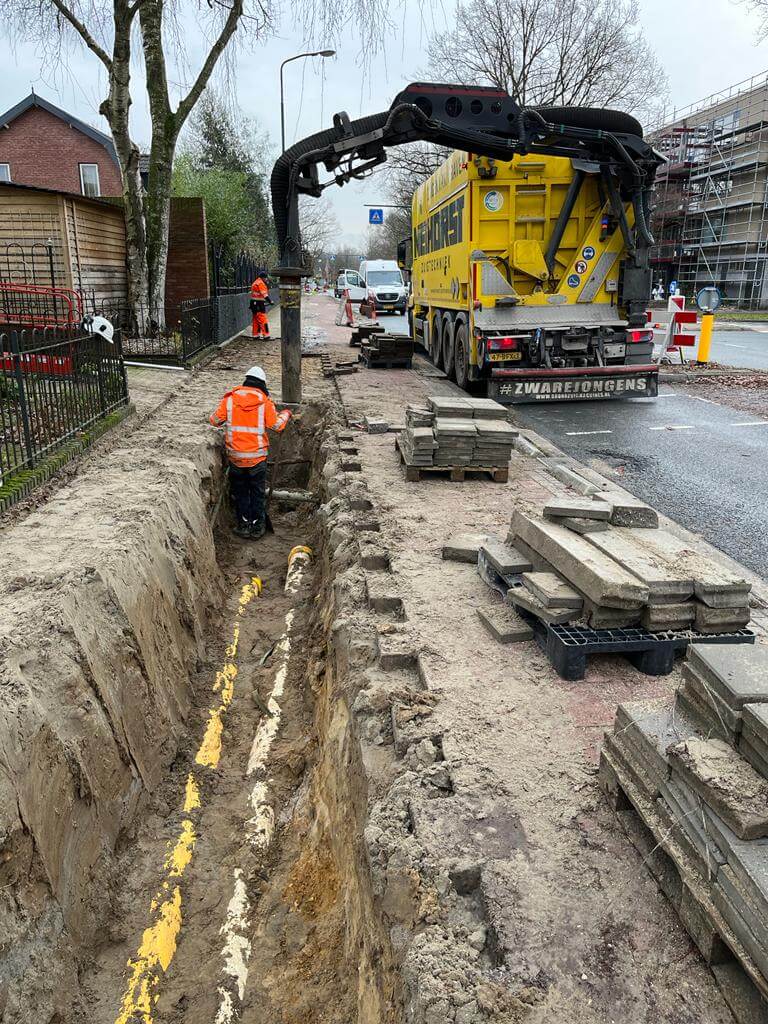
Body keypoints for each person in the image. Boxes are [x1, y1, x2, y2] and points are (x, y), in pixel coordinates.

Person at [209, 366, 291, 539]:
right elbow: (277, 425)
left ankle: (244, 525)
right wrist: (286, 414)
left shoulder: (230, 400)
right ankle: (258, 527)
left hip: (236, 458)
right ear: (262, 384)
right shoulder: (264, 402)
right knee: (257, 492)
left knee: (240, 492)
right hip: (257, 459)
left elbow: (214, 420)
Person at [250, 271, 273, 339]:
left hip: (253, 303)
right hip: (259, 304)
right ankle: (266, 335)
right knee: (263, 319)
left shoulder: (255, 282)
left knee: (256, 320)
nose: (266, 279)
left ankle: (255, 335)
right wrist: (270, 301)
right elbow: (265, 295)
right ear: (263, 277)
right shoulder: (261, 283)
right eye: (266, 278)